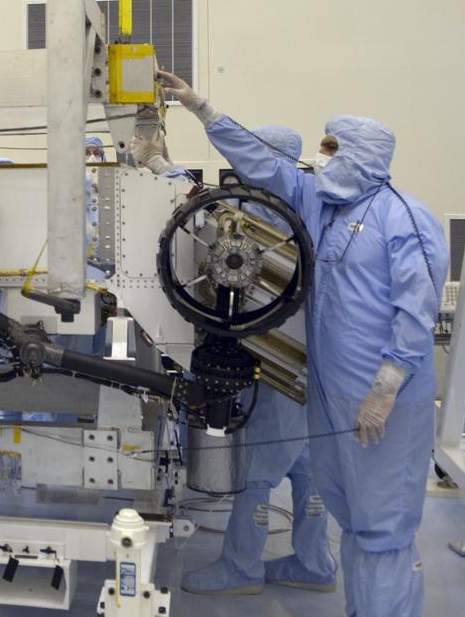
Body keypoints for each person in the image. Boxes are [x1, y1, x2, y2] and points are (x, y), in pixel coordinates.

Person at [157, 70, 447, 617]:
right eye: (322, 146)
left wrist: (385, 388)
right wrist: (202, 108)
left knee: (380, 526)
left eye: (333, 148)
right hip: (329, 394)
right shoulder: (322, 207)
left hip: (381, 402)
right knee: (348, 513)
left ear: (365, 155)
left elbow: (416, 311)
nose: (323, 157)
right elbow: (265, 166)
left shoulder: (404, 218)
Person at [169, 125, 338, 596]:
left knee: (259, 467)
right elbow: (198, 200)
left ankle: (242, 568)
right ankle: (314, 562)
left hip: (270, 356)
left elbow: (209, 227)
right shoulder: (298, 207)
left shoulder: (269, 216)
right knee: (305, 462)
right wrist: (164, 166)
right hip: (304, 358)